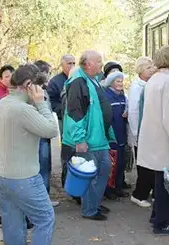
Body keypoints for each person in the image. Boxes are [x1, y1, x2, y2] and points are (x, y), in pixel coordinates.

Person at [0, 64, 58, 245]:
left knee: (13, 223)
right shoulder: (23, 109)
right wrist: (41, 104)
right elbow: (51, 130)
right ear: (29, 85)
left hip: (0, 173)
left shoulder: (2, 104)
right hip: (23, 178)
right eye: (40, 87)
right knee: (45, 219)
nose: (42, 92)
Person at [138, 45, 169, 235]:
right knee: (166, 183)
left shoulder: (154, 80)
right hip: (165, 140)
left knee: (160, 179)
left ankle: (157, 215)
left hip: (154, 138)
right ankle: (162, 222)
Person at [62, 50, 115, 221]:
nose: (102, 64)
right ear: (88, 64)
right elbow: (74, 113)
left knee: (103, 170)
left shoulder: (92, 79)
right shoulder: (78, 81)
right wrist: (80, 139)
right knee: (94, 174)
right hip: (89, 139)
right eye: (99, 61)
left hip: (99, 138)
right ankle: (89, 209)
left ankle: (94, 203)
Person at [128, 57, 156, 208]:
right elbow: (133, 112)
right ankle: (139, 194)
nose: (152, 70)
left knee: (151, 164)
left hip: (148, 131)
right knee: (145, 166)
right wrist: (135, 133)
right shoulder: (137, 87)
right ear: (140, 70)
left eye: (152, 67)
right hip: (140, 132)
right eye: (148, 68)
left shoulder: (147, 84)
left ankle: (149, 189)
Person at [33, 60, 60, 208]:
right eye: (48, 73)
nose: (50, 77)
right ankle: (43, 201)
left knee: (44, 168)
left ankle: (44, 198)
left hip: (43, 135)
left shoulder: (42, 90)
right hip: (41, 136)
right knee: (43, 169)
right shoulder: (38, 93)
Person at [101, 71, 130, 199]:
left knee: (121, 163)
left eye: (121, 81)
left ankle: (118, 187)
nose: (120, 84)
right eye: (118, 81)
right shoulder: (107, 96)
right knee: (112, 164)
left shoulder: (123, 97)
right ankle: (109, 190)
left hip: (122, 134)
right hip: (112, 135)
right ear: (111, 83)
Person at [47, 54, 75, 135]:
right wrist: (64, 110)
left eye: (74, 63)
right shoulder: (55, 82)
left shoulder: (79, 79)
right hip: (63, 120)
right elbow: (52, 102)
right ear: (62, 65)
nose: (72, 66)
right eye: (69, 63)